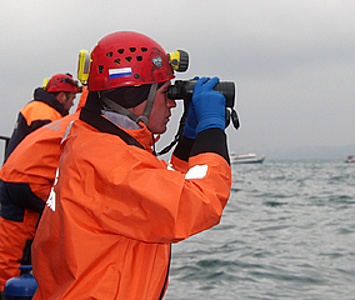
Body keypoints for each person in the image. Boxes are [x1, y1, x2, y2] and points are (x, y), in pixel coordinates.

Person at [31, 31, 232, 299]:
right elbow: (199, 203)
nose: (172, 102)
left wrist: (188, 141)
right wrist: (211, 129)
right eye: (164, 92)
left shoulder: (94, 141)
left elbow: (159, 195)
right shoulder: (108, 161)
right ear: (135, 98)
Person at [0, 88, 87, 297]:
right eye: (71, 98)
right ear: (61, 96)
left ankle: (6, 287)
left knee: (14, 237)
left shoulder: (46, 114)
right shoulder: (54, 117)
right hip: (32, 182)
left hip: (11, 177)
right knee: (68, 217)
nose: (71, 104)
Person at [3, 73, 80, 162]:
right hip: (27, 171)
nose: (73, 104)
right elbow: (46, 151)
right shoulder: (46, 115)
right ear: (62, 96)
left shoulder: (36, 108)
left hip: (15, 168)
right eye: (72, 99)